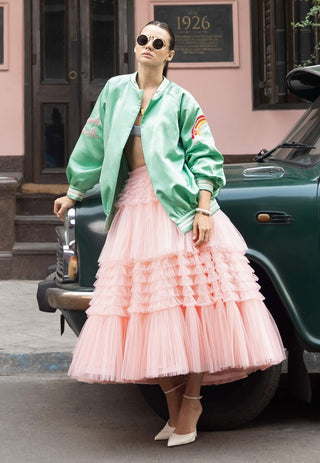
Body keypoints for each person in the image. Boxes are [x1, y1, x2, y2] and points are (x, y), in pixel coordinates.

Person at [54, 20, 286, 447]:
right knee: (147, 312)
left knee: (191, 308)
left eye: (157, 43)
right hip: (134, 205)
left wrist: (202, 208)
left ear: (169, 55)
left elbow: (204, 154)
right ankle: (176, 406)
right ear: (135, 47)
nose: (147, 46)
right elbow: (94, 141)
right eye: (142, 39)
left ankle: (192, 404)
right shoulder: (115, 92)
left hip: (179, 209)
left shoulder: (181, 99)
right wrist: (73, 191)